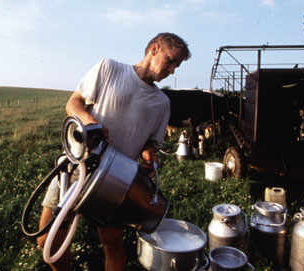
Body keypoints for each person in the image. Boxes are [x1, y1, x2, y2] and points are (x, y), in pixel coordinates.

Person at [37, 32, 191, 271]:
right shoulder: (110, 69)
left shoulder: (162, 103)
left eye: (177, 66)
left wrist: (149, 153)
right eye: (170, 60)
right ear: (154, 49)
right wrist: (89, 121)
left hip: (116, 181)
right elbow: (73, 103)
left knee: (112, 244)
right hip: (76, 167)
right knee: (48, 240)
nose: (172, 70)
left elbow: (152, 142)